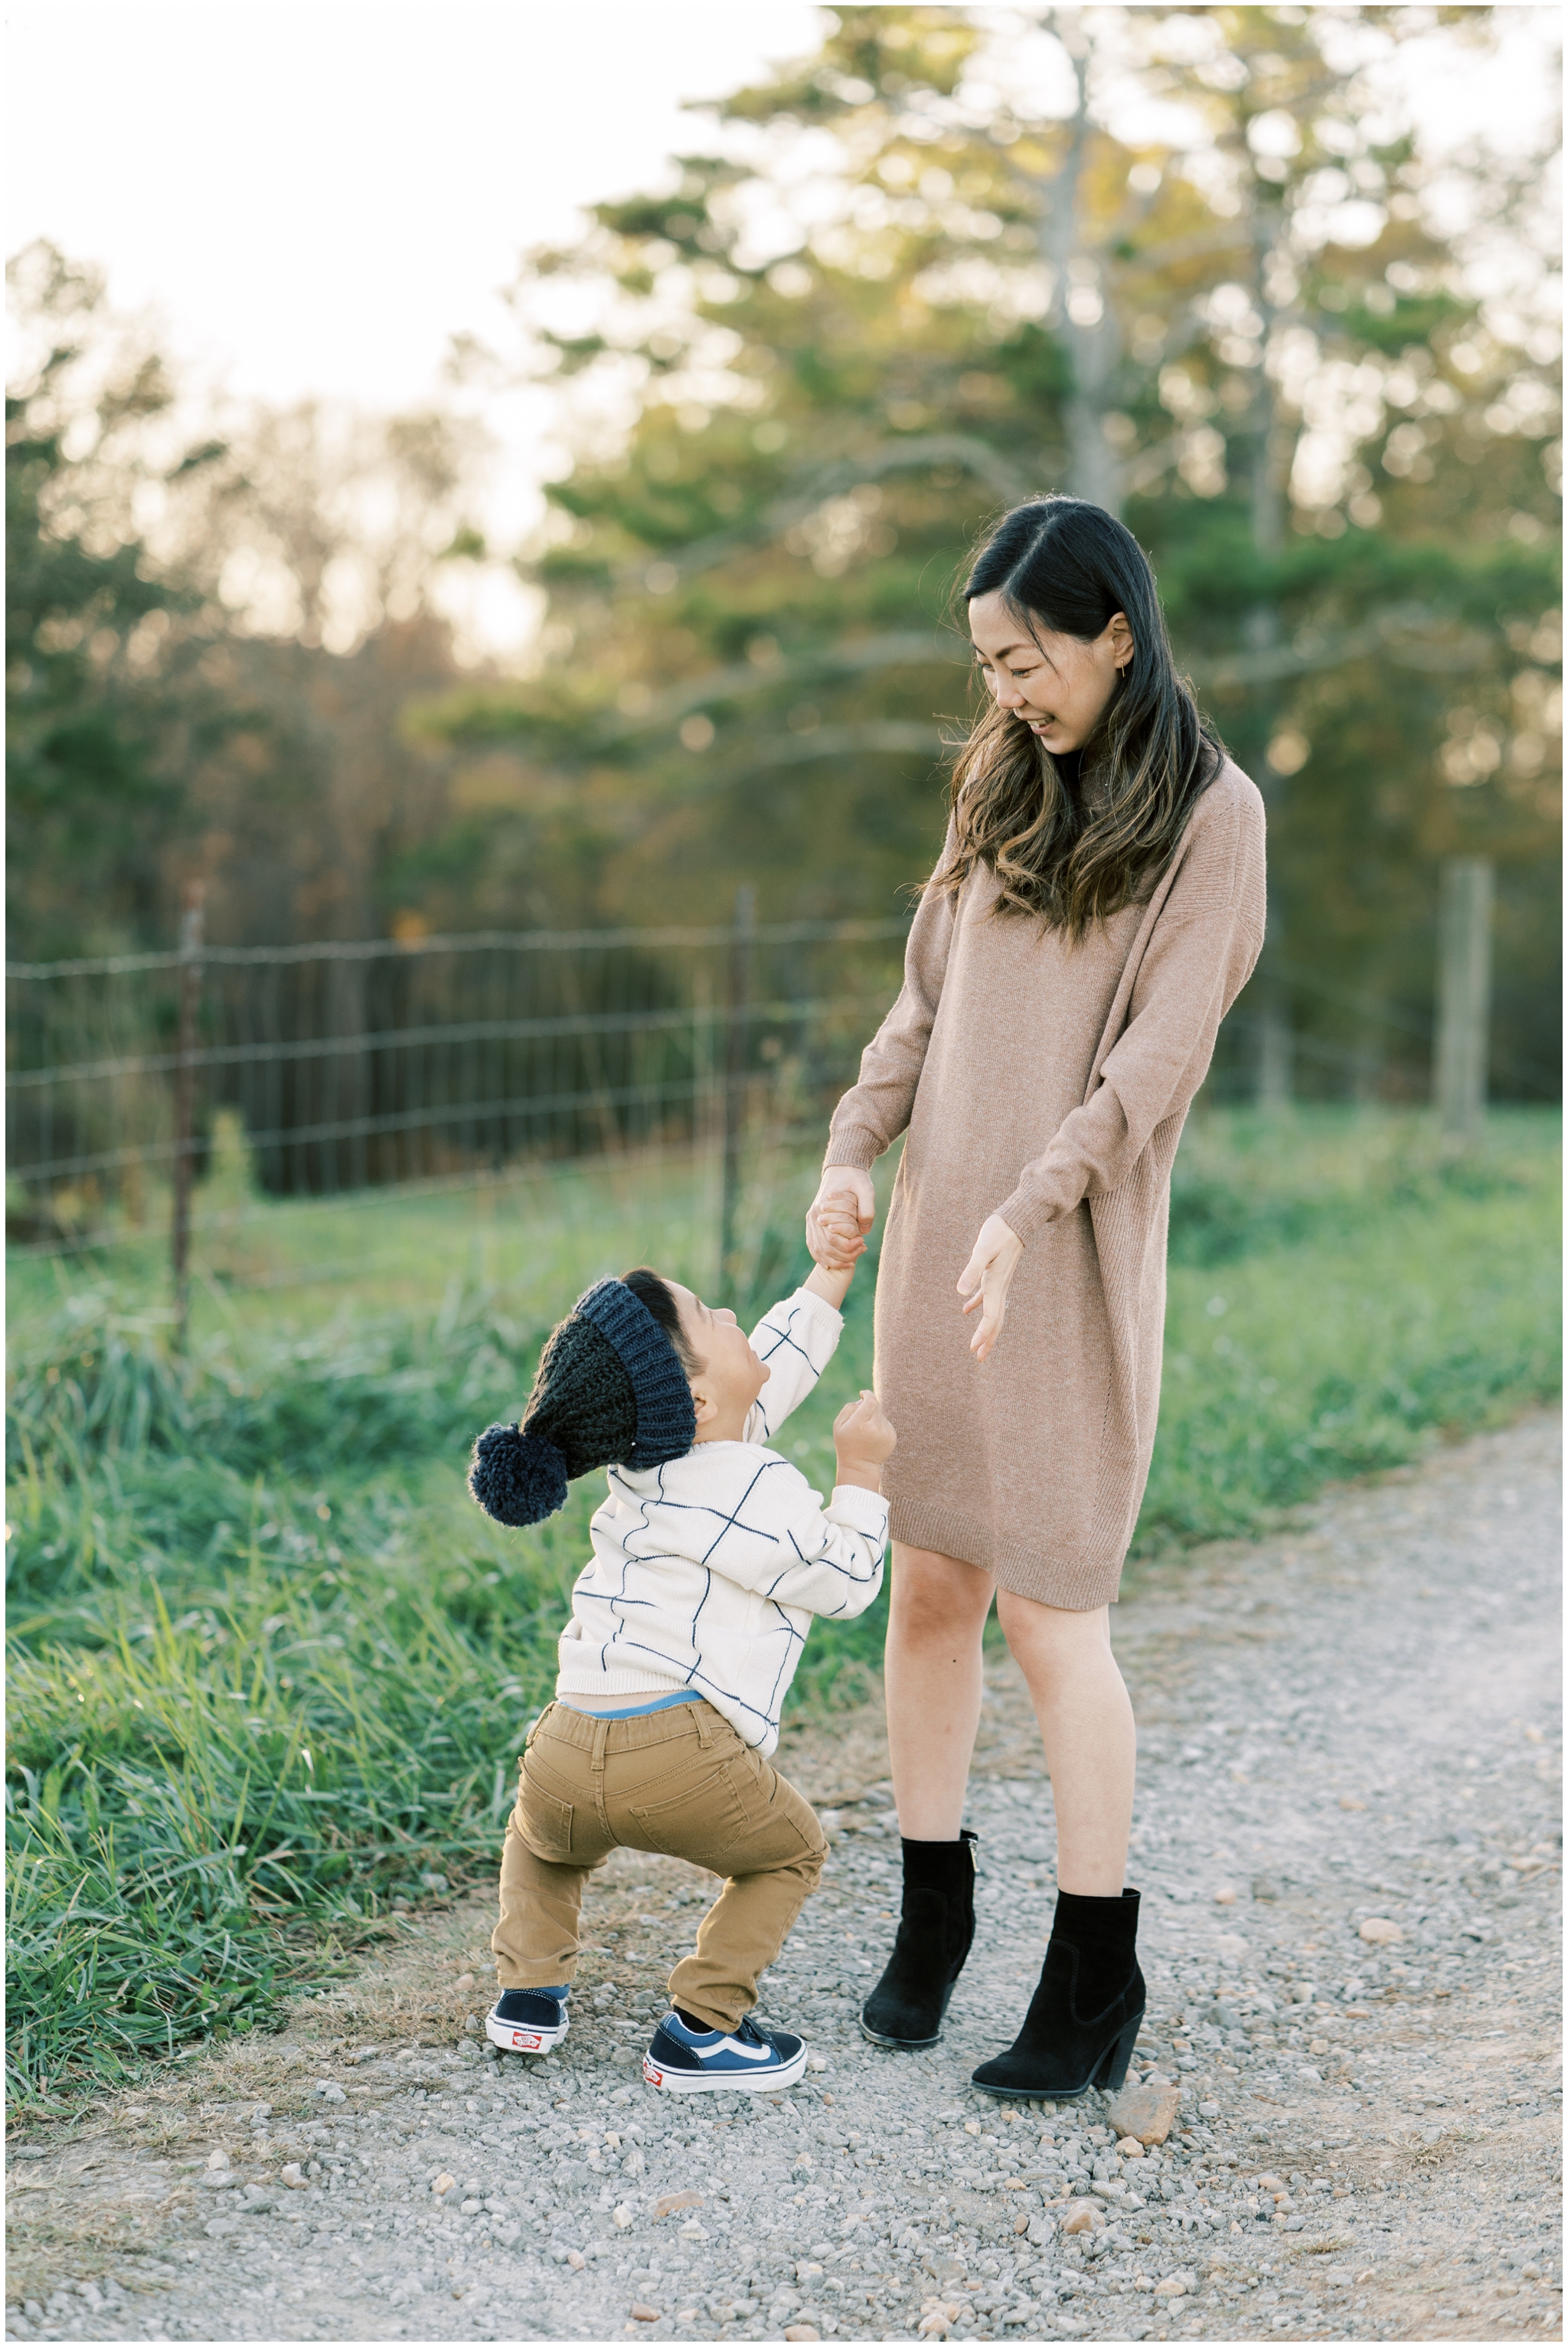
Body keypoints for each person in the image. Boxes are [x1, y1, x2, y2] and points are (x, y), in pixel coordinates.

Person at [806, 495, 1266, 2101]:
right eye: (988, 663)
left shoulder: (1213, 816)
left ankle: (1094, 1965)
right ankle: (933, 1913)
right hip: (942, 1250)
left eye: (1031, 658)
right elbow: (923, 1000)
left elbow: (1152, 1065)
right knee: (929, 1583)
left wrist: (1028, 1199)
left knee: (1047, 1606)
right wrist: (857, 1142)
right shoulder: (996, 787)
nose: (1009, 688)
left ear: (1116, 635)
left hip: (1058, 1258)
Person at [466, 1247, 893, 2093]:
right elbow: (846, 1580)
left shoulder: (646, 1457)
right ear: (694, 1397)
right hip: (678, 1750)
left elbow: (762, 1377)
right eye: (710, 1313)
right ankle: (701, 2025)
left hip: (562, 1739)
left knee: (541, 1844)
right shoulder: (758, 1486)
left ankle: (528, 1992)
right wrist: (861, 1471)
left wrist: (829, 1271)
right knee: (789, 1852)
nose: (735, 1315)